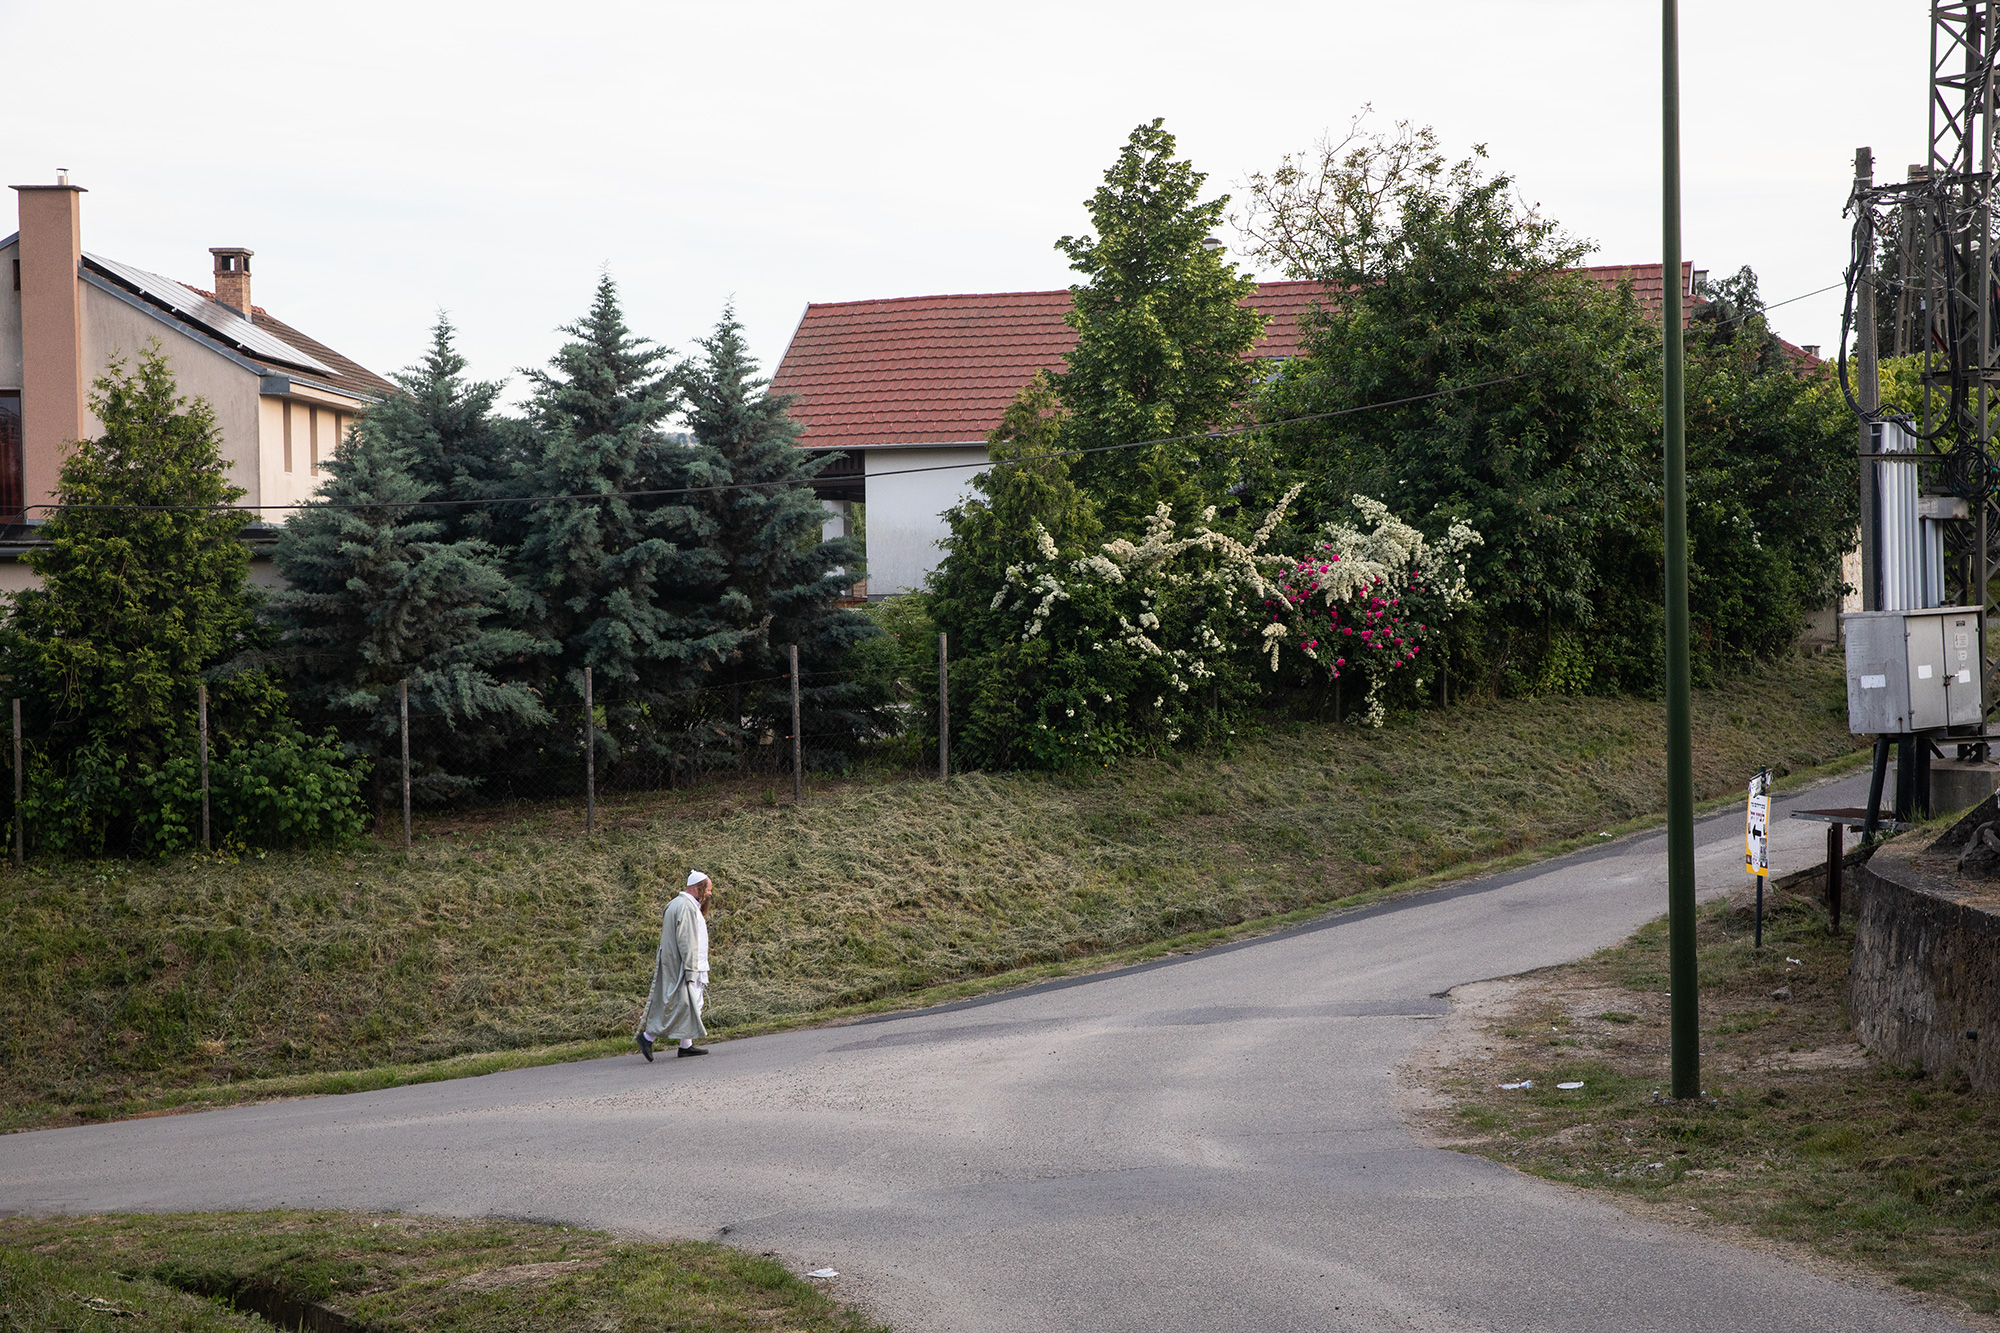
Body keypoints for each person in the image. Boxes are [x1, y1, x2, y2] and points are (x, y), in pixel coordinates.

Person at [636, 871, 715, 1060]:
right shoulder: (686, 907)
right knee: (685, 1004)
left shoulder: (677, 904)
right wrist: (690, 970)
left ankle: (685, 1045)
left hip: (681, 963)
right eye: (708, 890)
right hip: (687, 965)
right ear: (697, 888)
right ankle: (647, 1037)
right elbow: (686, 941)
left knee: (689, 1004)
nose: (710, 894)